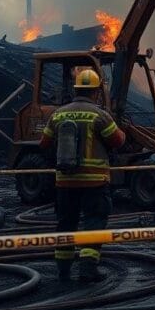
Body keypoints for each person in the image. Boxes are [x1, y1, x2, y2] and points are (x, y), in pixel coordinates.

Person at [39, 68, 126, 283]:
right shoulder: (99, 115)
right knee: (94, 223)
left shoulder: (58, 114)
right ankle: (88, 270)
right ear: (96, 92)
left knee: (65, 224)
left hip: (65, 183)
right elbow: (118, 141)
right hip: (94, 184)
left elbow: (44, 145)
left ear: (75, 89)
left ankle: (63, 271)